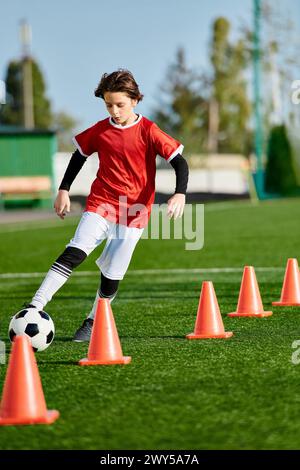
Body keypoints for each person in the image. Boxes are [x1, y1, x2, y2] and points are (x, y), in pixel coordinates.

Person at [26, 69, 189, 341]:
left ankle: (92, 321)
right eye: (108, 104)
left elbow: (179, 162)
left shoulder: (149, 130)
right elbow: (78, 156)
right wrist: (63, 189)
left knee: (112, 274)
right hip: (101, 203)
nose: (114, 110)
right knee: (76, 251)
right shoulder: (100, 131)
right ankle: (34, 306)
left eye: (120, 104)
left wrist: (179, 193)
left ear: (135, 100)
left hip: (135, 212)